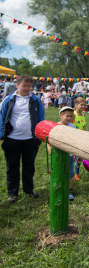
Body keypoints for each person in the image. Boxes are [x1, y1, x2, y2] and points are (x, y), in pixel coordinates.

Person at [0, 75, 45, 203]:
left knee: (29, 166)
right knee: (12, 166)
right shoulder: (8, 100)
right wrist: (2, 137)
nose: (27, 88)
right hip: (11, 139)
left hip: (31, 140)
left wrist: (39, 137)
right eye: (24, 85)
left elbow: (41, 119)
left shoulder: (36, 100)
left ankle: (29, 190)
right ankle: (12, 193)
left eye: (29, 86)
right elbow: (2, 118)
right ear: (17, 85)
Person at [50, 106, 77, 201]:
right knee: (58, 171)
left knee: (69, 173)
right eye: (67, 116)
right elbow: (50, 139)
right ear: (60, 115)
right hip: (58, 154)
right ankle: (58, 188)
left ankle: (69, 191)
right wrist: (49, 149)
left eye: (71, 116)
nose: (69, 118)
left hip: (69, 154)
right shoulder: (56, 126)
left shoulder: (72, 126)